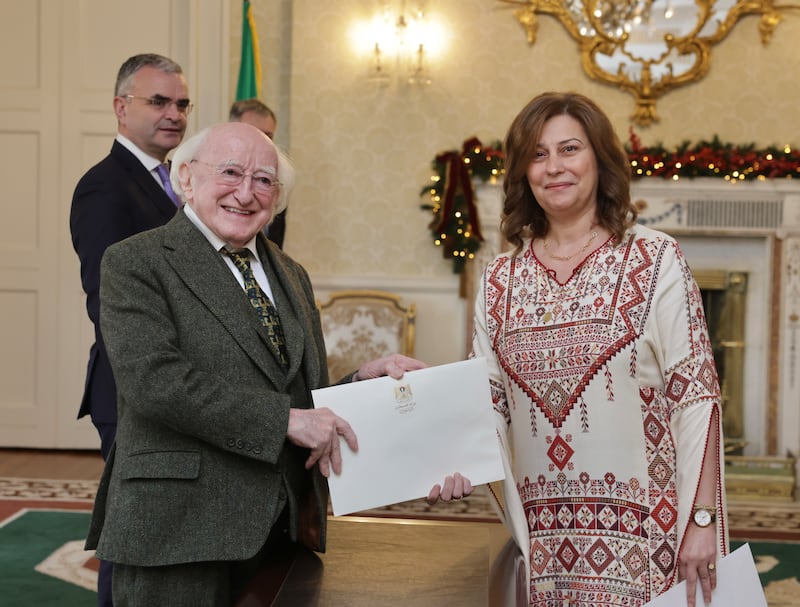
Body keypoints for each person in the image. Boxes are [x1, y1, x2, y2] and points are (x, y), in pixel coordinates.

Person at [84, 121, 428, 606]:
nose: (246, 193)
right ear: (186, 178)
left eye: (264, 180)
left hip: (280, 524)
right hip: (180, 529)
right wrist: (286, 421)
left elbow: (294, 394)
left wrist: (358, 385)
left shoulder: (291, 273)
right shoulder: (135, 263)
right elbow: (155, 383)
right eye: (230, 172)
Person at [429, 92, 728, 607]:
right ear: (523, 171)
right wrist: (423, 414)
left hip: (649, 545)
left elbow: (696, 396)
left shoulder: (653, 258)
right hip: (543, 547)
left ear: (599, 159)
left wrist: (701, 521)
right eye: (538, 154)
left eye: (569, 149)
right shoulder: (499, 278)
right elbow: (485, 405)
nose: (554, 167)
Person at [69, 52, 191, 607]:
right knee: (131, 535)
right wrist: (158, 371)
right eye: (158, 101)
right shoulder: (105, 187)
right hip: (134, 387)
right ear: (122, 109)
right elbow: (108, 300)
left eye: (182, 103)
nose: (174, 113)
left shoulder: (178, 181)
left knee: (168, 528)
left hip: (181, 386)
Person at [229, 98, 286, 248]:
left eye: (267, 136)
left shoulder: (276, 184)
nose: (261, 142)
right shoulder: (216, 180)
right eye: (253, 133)